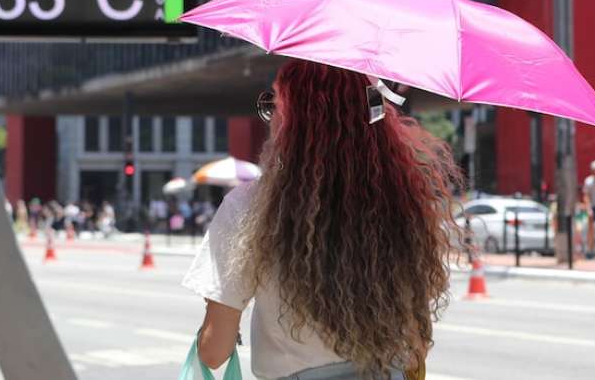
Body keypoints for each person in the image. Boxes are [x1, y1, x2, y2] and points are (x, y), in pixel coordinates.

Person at [182, 60, 463, 380]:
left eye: (273, 104)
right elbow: (416, 342)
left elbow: (213, 352)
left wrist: (218, 312)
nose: (271, 117)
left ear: (292, 119)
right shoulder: (401, 203)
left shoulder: (249, 206)